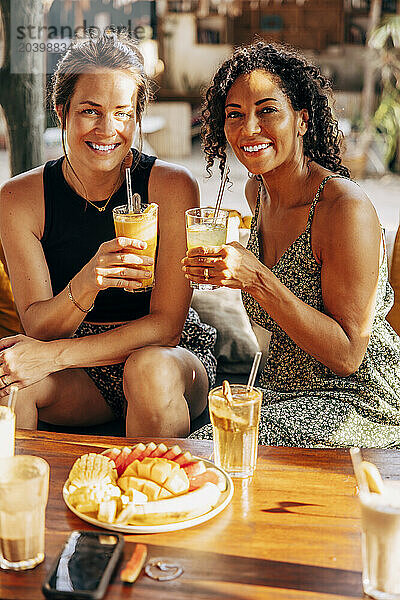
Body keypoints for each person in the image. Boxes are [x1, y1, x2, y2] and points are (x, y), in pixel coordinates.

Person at [183, 41, 400, 448]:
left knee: (216, 446)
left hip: (360, 400)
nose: (248, 129)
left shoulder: (342, 208)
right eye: (235, 115)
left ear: (301, 119)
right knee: (209, 439)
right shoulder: (257, 193)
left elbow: (349, 355)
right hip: (283, 392)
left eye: (267, 111)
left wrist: (258, 279)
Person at [0, 32, 217, 437]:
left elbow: (167, 326)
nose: (107, 129)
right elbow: (39, 328)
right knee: (8, 383)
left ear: (137, 117)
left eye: (122, 113)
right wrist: (89, 280)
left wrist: (55, 356)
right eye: (90, 111)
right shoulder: (18, 199)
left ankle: (157, 498)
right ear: (61, 111)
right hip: (79, 374)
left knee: (147, 370)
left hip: (165, 359)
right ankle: (23, 496)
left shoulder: (171, 186)